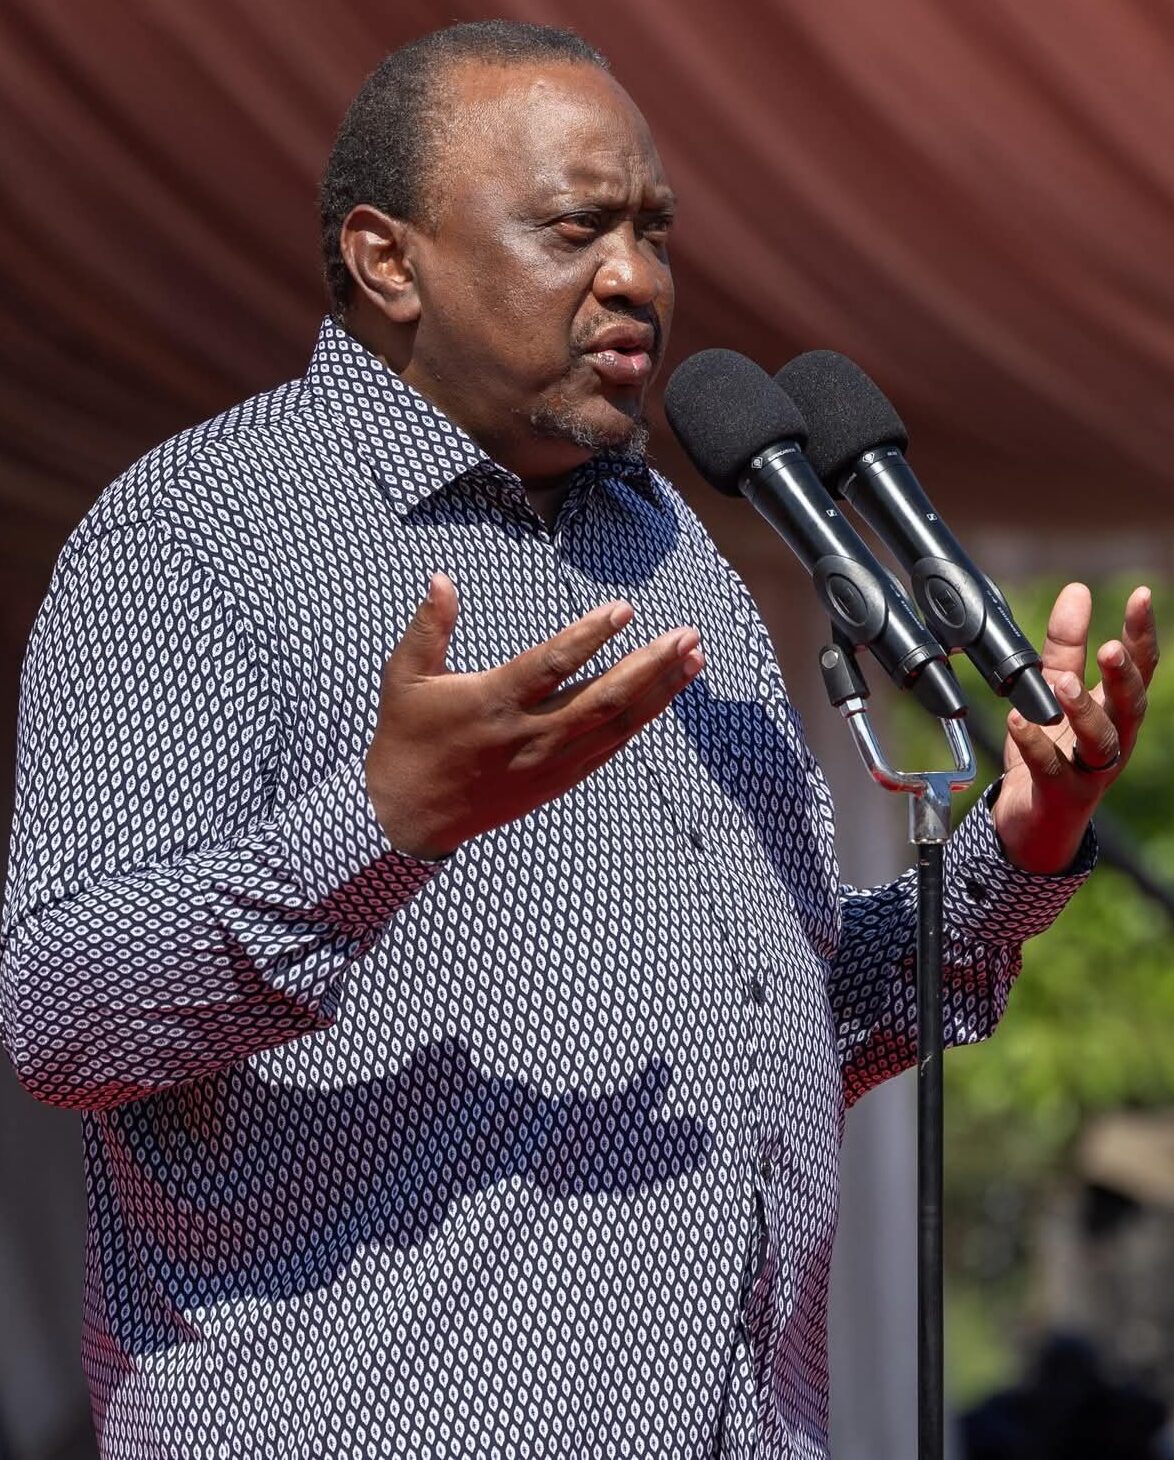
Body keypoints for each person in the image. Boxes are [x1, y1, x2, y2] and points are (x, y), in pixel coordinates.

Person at [0, 20, 1157, 1460]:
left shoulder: (670, 544)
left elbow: (786, 1012)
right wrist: (386, 825)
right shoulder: (203, 534)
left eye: (652, 229)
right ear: (387, 260)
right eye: (575, 228)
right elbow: (61, 1017)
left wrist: (1016, 847)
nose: (637, 279)